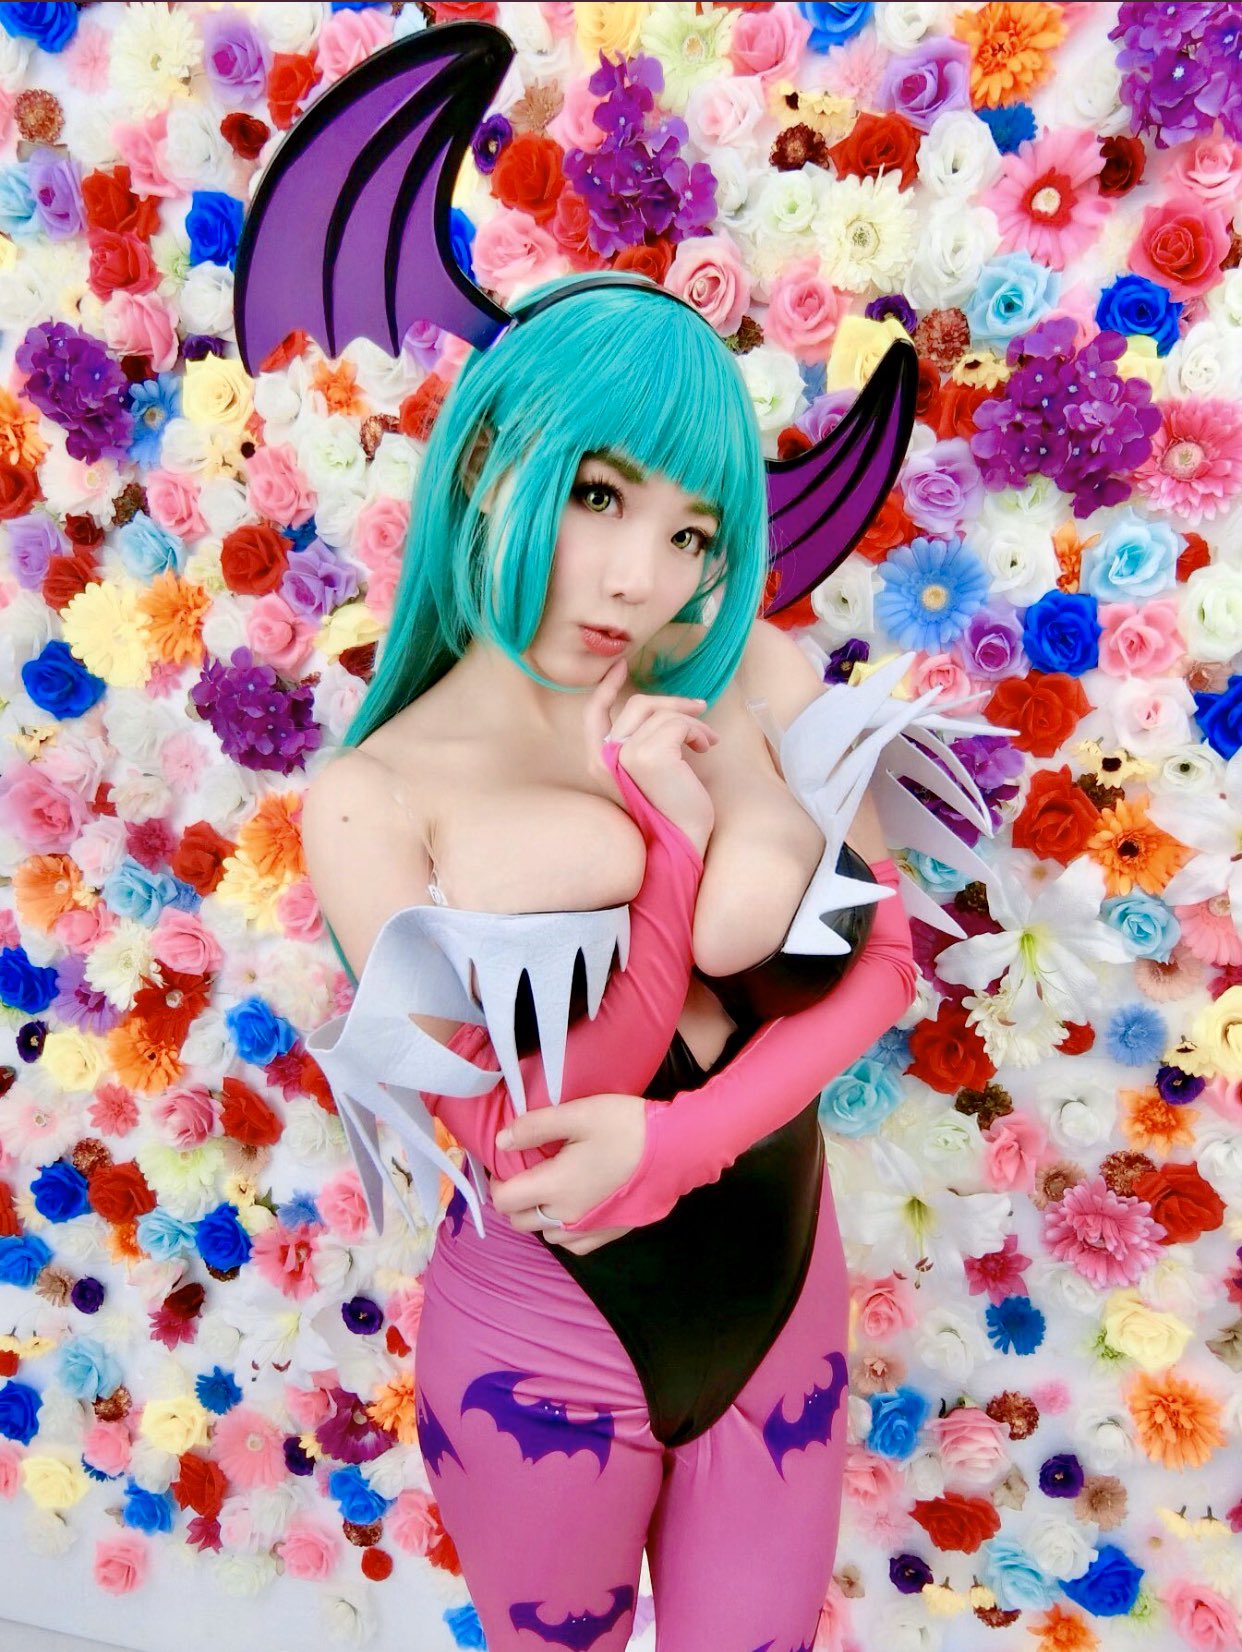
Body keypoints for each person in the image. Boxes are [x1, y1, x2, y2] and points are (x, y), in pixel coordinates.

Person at [298, 273, 955, 1651]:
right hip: (543, 1361)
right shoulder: (374, 796)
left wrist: (684, 1141)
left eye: (689, 532)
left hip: (781, 1310)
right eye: (597, 495)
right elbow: (516, 1137)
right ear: (483, 464)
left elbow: (887, 961)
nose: (639, 580)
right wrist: (667, 846)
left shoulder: (743, 671)